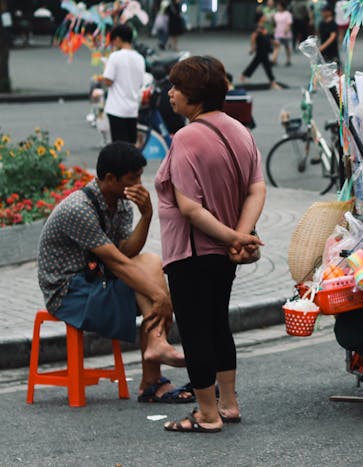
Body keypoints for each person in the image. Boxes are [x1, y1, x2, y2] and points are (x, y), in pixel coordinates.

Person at [157, 56, 265, 432]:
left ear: (196, 96)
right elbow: (256, 187)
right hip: (225, 254)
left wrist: (234, 235)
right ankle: (228, 404)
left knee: (195, 328)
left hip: (191, 251)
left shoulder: (186, 137)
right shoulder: (240, 130)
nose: (170, 94)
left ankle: (206, 413)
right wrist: (241, 234)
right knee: (218, 322)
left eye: (176, 88)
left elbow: (189, 207)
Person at [37, 142, 192, 404]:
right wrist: (161, 297)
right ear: (109, 178)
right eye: (133, 179)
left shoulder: (120, 203)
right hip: (69, 293)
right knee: (150, 279)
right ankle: (152, 378)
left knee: (149, 263)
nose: (139, 185)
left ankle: (154, 358)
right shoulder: (79, 209)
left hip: (97, 281)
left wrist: (146, 215)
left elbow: (127, 252)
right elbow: (118, 263)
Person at [102, 23, 146, 145]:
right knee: (131, 146)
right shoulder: (140, 58)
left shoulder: (115, 57)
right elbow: (141, 82)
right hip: (132, 109)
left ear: (118, 39)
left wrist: (105, 68)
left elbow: (108, 81)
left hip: (116, 109)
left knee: (119, 147)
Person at [240, 14, 281, 90]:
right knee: (267, 67)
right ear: (260, 18)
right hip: (261, 50)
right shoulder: (258, 27)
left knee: (255, 63)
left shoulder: (263, 26)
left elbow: (266, 37)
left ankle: (243, 76)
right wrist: (252, 48)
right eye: (264, 17)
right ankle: (273, 83)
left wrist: (273, 42)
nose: (265, 18)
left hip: (264, 49)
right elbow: (253, 37)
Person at [273, 2, 294, 66]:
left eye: (279, 6)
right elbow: (274, 23)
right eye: (277, 6)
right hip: (278, 33)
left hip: (285, 33)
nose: (278, 7)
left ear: (282, 6)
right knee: (277, 46)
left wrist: (287, 29)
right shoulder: (276, 14)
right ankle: (274, 60)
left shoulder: (287, 14)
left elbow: (289, 23)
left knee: (286, 47)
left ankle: (288, 60)